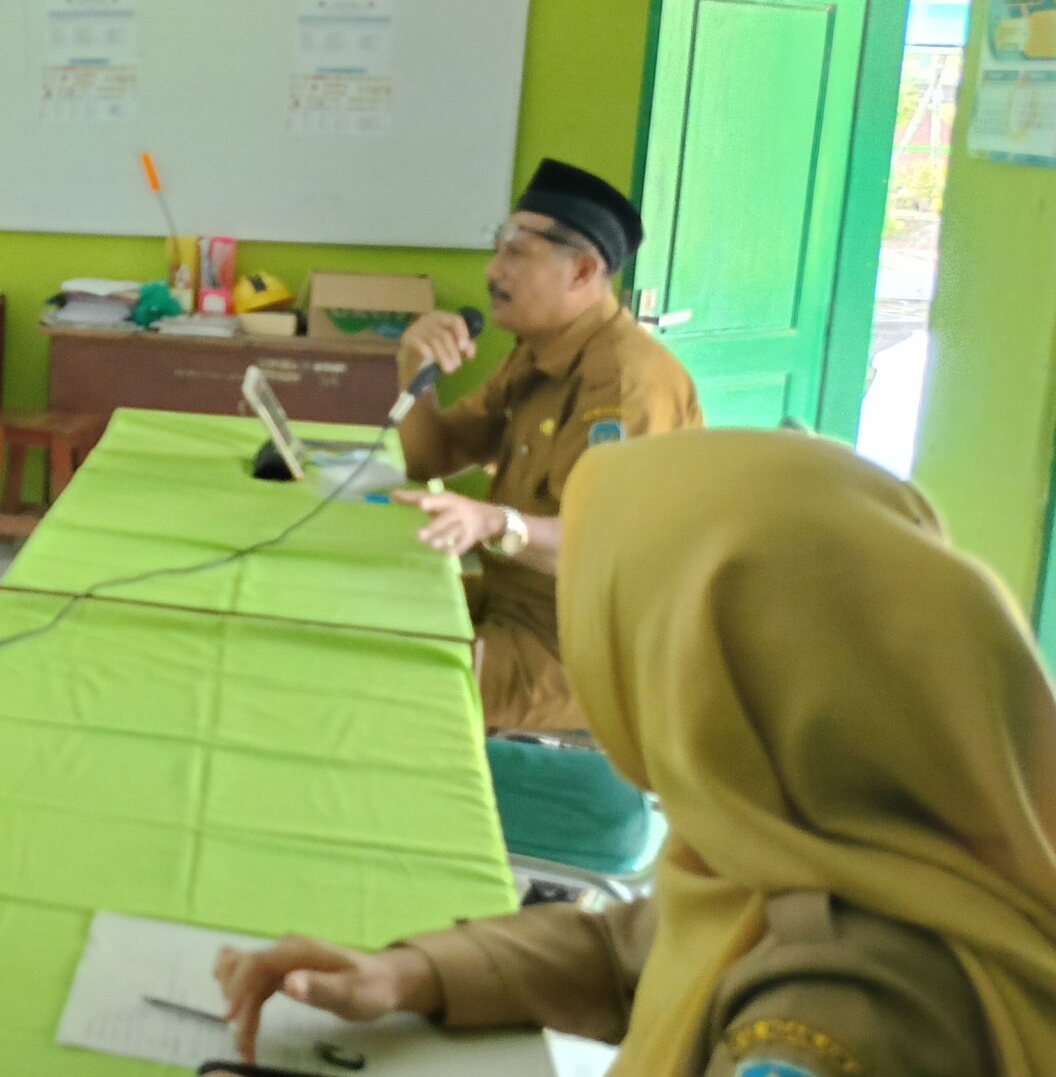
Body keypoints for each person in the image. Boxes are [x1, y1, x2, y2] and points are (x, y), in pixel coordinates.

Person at [214, 429, 1056, 1076]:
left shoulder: (843, 1010)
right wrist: (408, 974)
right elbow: (632, 950)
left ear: (705, 669)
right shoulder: (828, 842)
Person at [390, 158, 699, 731]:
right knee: (360, 612)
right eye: (498, 247)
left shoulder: (626, 385)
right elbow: (430, 459)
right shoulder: (538, 351)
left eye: (515, 252)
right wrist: (413, 367)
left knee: (382, 682)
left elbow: (603, 549)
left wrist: (495, 522)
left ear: (582, 271)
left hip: (579, 652)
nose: (491, 270)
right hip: (512, 605)